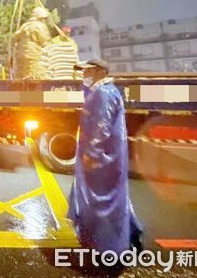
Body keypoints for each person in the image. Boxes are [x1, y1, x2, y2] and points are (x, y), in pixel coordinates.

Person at [68, 59, 143, 257]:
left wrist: (92, 155)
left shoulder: (103, 93)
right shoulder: (104, 91)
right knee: (113, 200)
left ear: (99, 72)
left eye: (87, 71)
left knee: (101, 204)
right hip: (109, 158)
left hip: (102, 161)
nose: (83, 75)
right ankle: (127, 236)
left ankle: (106, 248)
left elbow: (101, 126)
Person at [11, 6, 52, 79]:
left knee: (22, 76)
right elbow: (45, 41)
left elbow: (14, 39)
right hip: (32, 57)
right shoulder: (39, 25)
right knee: (37, 77)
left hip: (19, 58)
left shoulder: (24, 26)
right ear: (41, 17)